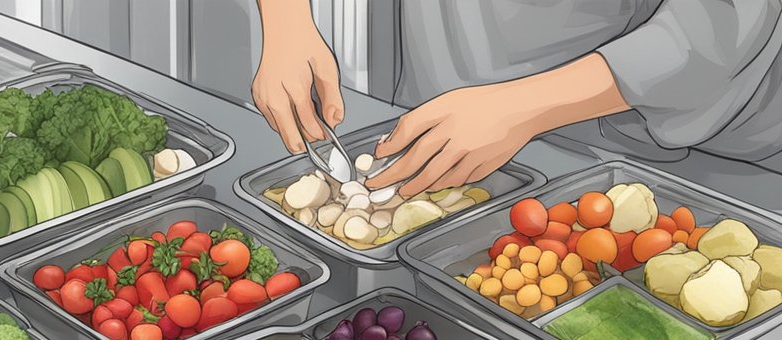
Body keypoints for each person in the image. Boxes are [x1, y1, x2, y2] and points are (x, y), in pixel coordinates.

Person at [251, 0, 782, 198]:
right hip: (456, 122)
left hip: (680, 148)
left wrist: (525, 107)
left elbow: (713, 28)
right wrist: (287, 20)